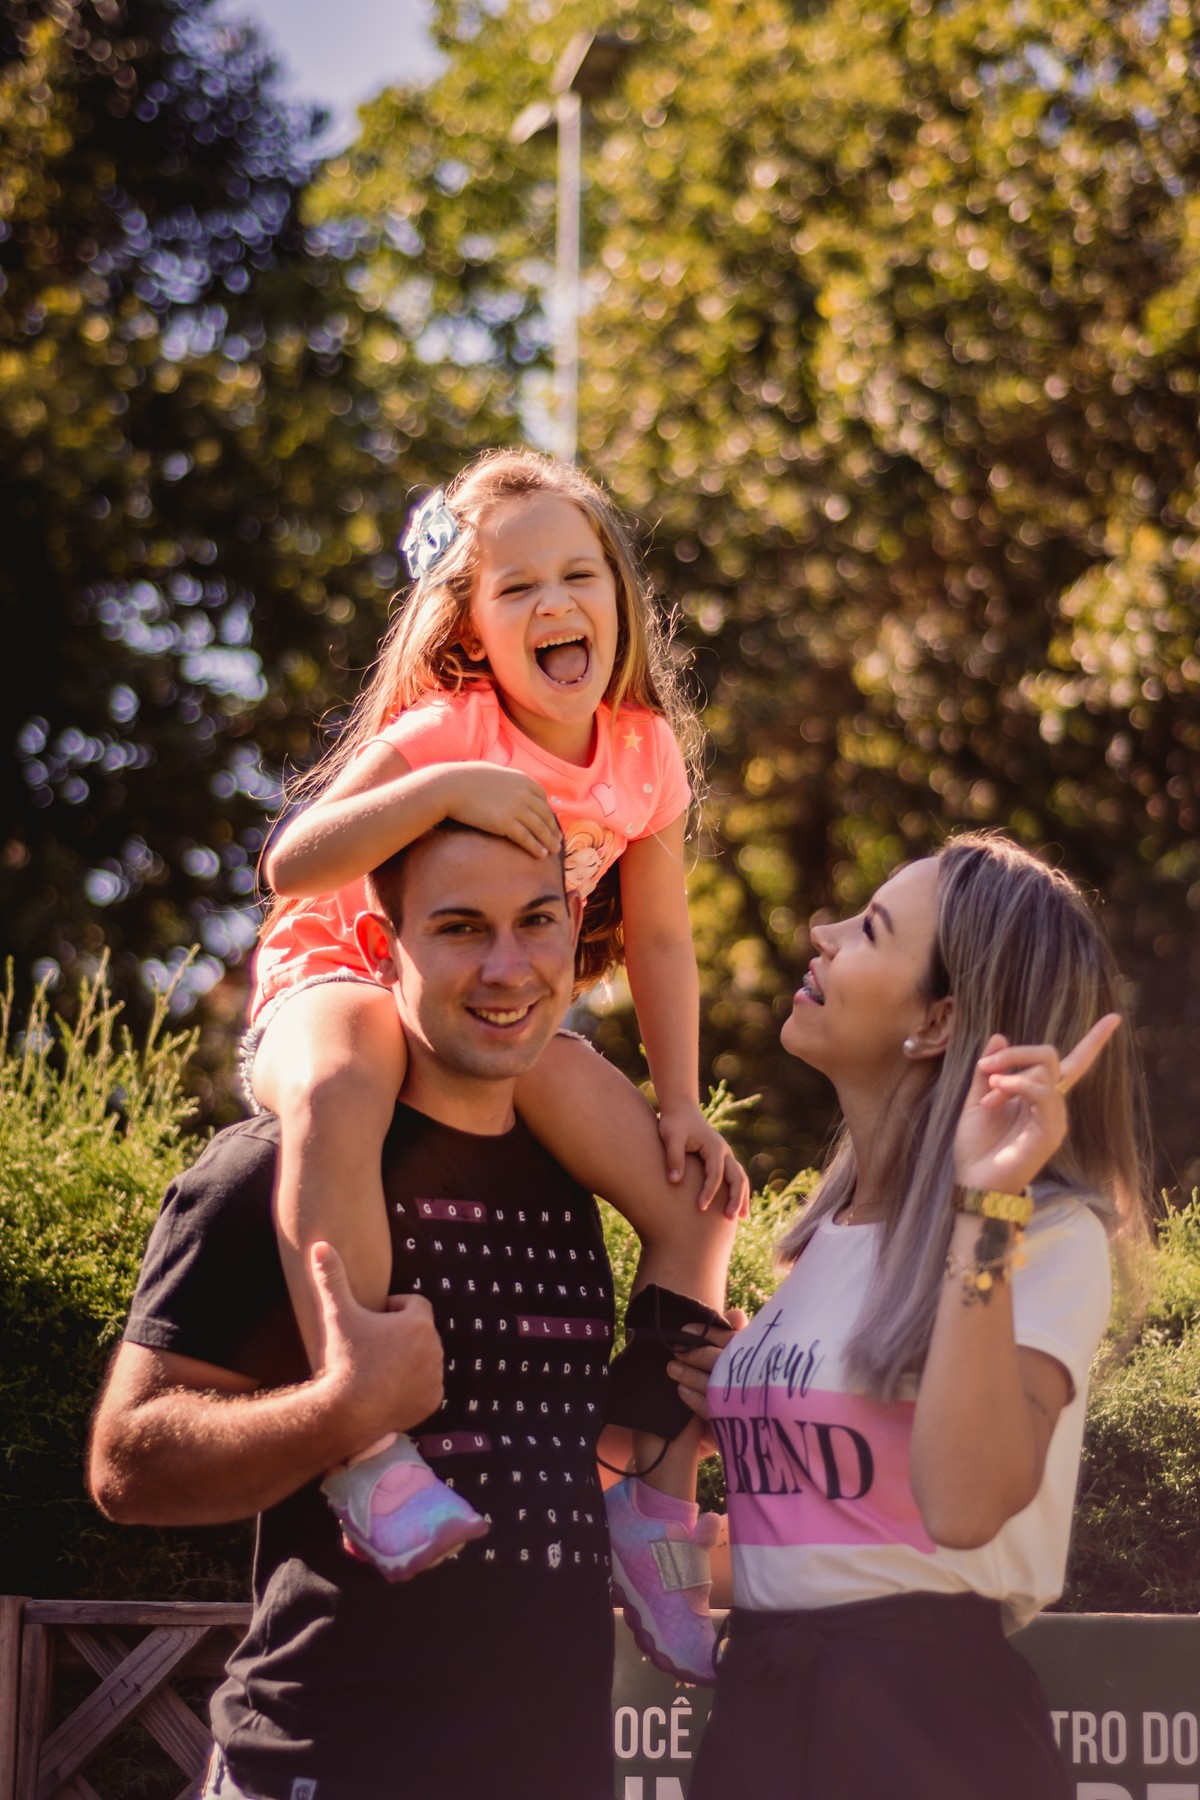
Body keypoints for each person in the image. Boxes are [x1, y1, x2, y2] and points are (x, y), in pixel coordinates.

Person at [88, 821, 736, 1800]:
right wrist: (339, 1411)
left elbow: (559, 1465)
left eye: (537, 923)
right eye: (462, 928)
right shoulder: (271, 1172)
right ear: (386, 950)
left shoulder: (577, 1179)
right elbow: (126, 1465)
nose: (508, 967)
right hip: (325, 1765)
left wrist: (679, 1407)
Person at [243, 448, 748, 1593]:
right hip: (343, 976)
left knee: (698, 1196)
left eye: (579, 574)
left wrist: (680, 1103)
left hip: (494, 1013)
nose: (554, 602)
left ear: (622, 597)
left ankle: (648, 1497)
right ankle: (363, 1447)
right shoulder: (445, 731)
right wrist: (439, 791)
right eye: (515, 588)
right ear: (471, 624)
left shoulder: (644, 755)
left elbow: (663, 941)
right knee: (340, 1087)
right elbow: (290, 864)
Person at [668, 831, 1146, 1800]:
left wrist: (988, 1201)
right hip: (761, 1722)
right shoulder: (815, 1242)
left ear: (937, 1021)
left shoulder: (1045, 1230)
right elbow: (815, 1548)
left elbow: (964, 1509)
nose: (821, 931)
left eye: (869, 929)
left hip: (927, 1743)